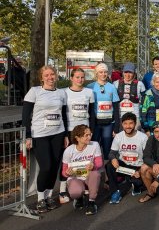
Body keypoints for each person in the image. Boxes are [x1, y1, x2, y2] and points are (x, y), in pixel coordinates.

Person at [23, 65, 68, 213]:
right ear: (41, 77)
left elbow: (64, 114)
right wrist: (27, 135)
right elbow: (25, 116)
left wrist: (66, 134)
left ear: (56, 76)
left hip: (58, 133)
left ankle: (49, 196)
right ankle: (40, 198)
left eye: (52, 75)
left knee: (54, 166)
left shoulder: (61, 93)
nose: (50, 78)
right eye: (46, 75)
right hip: (40, 134)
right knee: (46, 166)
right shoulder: (35, 91)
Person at [60, 68, 95, 204]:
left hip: (85, 131)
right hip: (70, 131)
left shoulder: (89, 92)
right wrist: (64, 134)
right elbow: (62, 114)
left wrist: (90, 131)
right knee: (67, 161)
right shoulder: (64, 92)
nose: (80, 80)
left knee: (85, 159)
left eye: (82, 77)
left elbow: (92, 113)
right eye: (77, 77)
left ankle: (83, 186)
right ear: (71, 78)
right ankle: (63, 189)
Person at [106, 112, 148, 204]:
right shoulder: (118, 136)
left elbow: (148, 157)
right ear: (122, 124)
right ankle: (115, 192)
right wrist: (113, 158)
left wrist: (140, 171)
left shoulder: (143, 137)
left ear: (135, 123)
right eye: (125, 123)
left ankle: (136, 184)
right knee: (109, 165)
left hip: (137, 167)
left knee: (139, 182)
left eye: (131, 123)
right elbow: (111, 153)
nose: (128, 126)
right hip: (124, 166)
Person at [61, 125, 103, 215]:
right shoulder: (68, 151)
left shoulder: (94, 145)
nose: (89, 137)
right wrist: (67, 173)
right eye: (86, 135)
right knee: (75, 192)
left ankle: (91, 202)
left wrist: (94, 166)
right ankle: (79, 198)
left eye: (90, 134)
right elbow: (64, 171)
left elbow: (99, 163)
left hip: (89, 176)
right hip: (75, 178)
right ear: (77, 138)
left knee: (95, 174)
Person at [87, 63, 120, 159]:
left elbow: (116, 107)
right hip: (95, 123)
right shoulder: (90, 87)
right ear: (96, 73)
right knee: (93, 148)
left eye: (105, 72)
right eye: (101, 72)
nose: (103, 74)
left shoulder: (112, 87)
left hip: (109, 123)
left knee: (107, 148)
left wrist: (116, 126)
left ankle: (106, 170)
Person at [113, 62, 146, 126]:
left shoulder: (140, 84)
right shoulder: (115, 83)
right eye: (126, 72)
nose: (127, 75)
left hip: (135, 116)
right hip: (120, 117)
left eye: (130, 72)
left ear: (134, 73)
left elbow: (144, 101)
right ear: (122, 72)